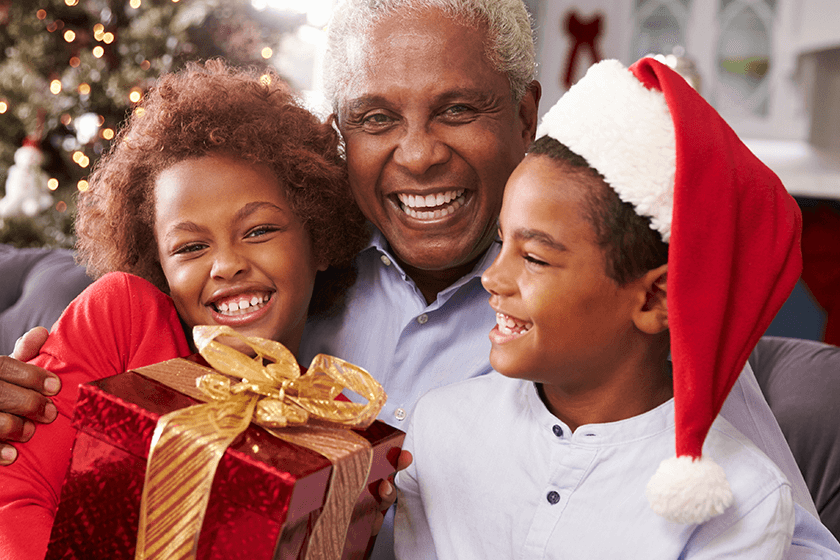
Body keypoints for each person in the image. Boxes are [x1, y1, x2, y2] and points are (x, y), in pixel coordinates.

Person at [0, 0, 838, 557]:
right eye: (375, 119)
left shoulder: (602, 316)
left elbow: (768, 520)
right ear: (339, 136)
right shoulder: (291, 272)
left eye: (457, 108)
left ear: (524, 113)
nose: (418, 152)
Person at [394, 57, 804, 558]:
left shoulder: (745, 500)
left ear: (654, 298)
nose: (492, 278)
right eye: (501, 243)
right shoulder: (440, 427)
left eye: (535, 258)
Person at [0, 59, 374, 558]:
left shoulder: (330, 420)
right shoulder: (123, 318)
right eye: (190, 248)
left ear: (320, 239)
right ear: (156, 262)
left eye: (259, 231)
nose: (226, 265)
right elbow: (13, 498)